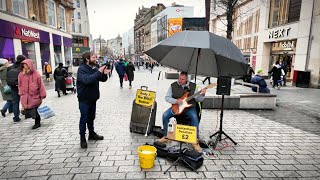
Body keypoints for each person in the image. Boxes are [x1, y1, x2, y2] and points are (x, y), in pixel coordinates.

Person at [158, 72, 206, 153]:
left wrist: (202, 95)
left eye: (182, 79)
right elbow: (167, 97)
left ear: (186, 79)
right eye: (179, 78)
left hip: (189, 108)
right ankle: (166, 136)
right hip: (177, 107)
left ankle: (195, 140)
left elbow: (199, 99)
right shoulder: (173, 85)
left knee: (195, 118)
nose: (180, 80)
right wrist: (176, 101)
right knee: (165, 115)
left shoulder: (193, 86)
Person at [77, 52, 110, 149]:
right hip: (84, 98)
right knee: (84, 118)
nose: (96, 59)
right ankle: (82, 138)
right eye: (93, 57)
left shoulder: (94, 68)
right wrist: (99, 72)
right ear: (87, 59)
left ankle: (91, 134)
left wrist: (104, 74)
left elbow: (101, 79)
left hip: (93, 97)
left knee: (91, 117)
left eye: (96, 57)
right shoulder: (81, 69)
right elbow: (87, 80)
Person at [18, 59, 46, 129]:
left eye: (26, 65)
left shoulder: (36, 74)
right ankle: (36, 120)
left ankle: (37, 122)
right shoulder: (21, 74)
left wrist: (43, 94)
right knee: (30, 110)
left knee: (35, 110)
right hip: (25, 96)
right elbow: (19, 84)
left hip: (35, 96)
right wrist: (21, 93)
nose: (25, 67)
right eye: (24, 66)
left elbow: (41, 85)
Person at [6, 55, 26, 122]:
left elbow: (7, 77)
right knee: (25, 100)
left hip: (13, 87)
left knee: (15, 102)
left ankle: (16, 117)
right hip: (22, 86)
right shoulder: (23, 67)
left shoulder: (10, 67)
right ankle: (27, 113)